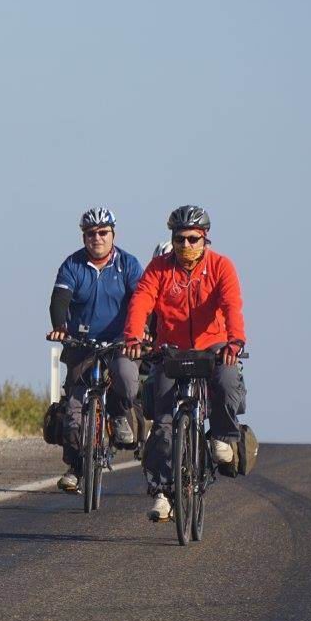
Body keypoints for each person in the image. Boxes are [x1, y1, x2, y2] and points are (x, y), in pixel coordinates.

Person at [123, 205, 247, 521]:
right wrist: (133, 338)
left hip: (213, 346)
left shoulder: (221, 266)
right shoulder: (158, 269)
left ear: (205, 239)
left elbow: (232, 304)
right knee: (163, 421)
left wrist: (235, 341)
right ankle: (163, 493)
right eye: (180, 239)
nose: (186, 246)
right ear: (172, 239)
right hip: (172, 349)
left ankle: (222, 436)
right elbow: (141, 301)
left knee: (227, 380)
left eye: (193, 239)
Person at [45, 207, 144, 492]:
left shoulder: (129, 264)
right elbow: (59, 300)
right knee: (74, 412)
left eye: (103, 233)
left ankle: (117, 413)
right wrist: (60, 326)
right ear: (83, 236)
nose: (96, 238)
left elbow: (141, 299)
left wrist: (141, 331)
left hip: (119, 342)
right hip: (82, 344)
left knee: (126, 379)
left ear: (113, 234)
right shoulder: (72, 265)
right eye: (90, 234)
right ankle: (75, 468)